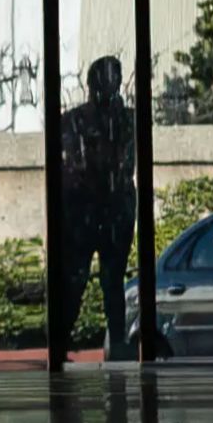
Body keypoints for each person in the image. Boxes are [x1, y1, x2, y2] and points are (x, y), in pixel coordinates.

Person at [48, 54, 144, 361]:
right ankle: (61, 345)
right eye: (103, 80)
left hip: (112, 210)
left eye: (111, 79)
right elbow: (72, 167)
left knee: (111, 281)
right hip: (85, 212)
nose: (107, 87)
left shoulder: (128, 120)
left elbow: (123, 164)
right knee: (77, 280)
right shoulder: (75, 121)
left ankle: (115, 345)